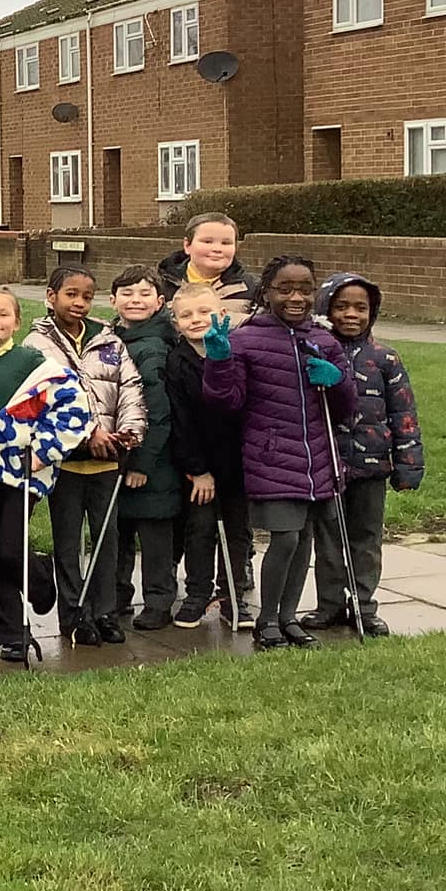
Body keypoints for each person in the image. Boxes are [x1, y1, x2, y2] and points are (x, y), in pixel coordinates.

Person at [200, 255, 357, 650]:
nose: (296, 298)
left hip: (317, 459)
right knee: (285, 538)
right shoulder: (247, 339)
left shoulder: (324, 341)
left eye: (304, 289)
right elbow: (226, 401)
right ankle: (266, 619)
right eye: (284, 289)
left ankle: (288, 618)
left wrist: (337, 381)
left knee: (303, 540)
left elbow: (345, 408)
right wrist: (218, 361)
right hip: (271, 456)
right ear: (266, 293)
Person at [0, 290, 93, 662]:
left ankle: (40, 579)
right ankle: (13, 637)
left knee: (9, 547)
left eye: (3, 314)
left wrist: (44, 450)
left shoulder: (37, 366)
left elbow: (75, 411)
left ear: (16, 322)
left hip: (21, 473)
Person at [26, 265, 146, 644]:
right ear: (51, 297)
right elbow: (41, 401)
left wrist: (127, 433)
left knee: (106, 538)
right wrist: (85, 434)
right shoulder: (36, 345)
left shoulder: (110, 341)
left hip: (107, 458)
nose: (79, 302)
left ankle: (105, 611)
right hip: (63, 461)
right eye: (71, 294)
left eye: (86, 296)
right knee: (66, 542)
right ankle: (74, 614)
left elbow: (130, 388)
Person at [303, 273, 424, 638]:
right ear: (326, 309)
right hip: (328, 462)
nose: (351, 315)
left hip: (372, 464)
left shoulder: (385, 358)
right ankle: (329, 604)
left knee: (366, 538)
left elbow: (403, 413)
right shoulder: (314, 351)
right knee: (328, 538)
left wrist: (408, 463)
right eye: (341, 307)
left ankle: (364, 605)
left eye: (360, 308)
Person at [164, 284, 254, 631]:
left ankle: (233, 596)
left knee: (237, 532)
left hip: (238, 461)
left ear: (221, 315)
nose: (196, 320)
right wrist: (197, 469)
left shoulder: (236, 352)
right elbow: (180, 420)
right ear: (176, 322)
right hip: (199, 466)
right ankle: (197, 594)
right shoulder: (177, 361)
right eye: (186, 315)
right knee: (199, 529)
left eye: (204, 312)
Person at [106, 268, 180, 631]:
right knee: (118, 531)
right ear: (113, 300)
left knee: (154, 538)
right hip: (117, 454)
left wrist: (140, 463)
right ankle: (117, 594)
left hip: (152, 462)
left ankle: (159, 601)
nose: (135, 299)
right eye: (127, 293)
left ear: (160, 302)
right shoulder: (112, 341)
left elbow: (159, 411)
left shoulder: (155, 347)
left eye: (144, 293)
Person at [159, 212, 260, 322]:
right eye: (207, 242)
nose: (217, 249)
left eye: (226, 243)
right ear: (187, 245)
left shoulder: (255, 289)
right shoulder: (160, 287)